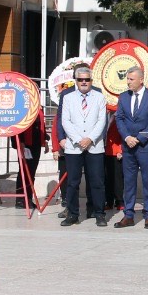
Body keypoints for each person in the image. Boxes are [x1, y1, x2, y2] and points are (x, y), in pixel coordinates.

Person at [57, 68, 108, 225]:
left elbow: (102, 121)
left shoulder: (99, 97)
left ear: (91, 81)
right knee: (73, 182)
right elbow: (65, 121)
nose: (84, 82)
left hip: (94, 146)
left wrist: (90, 139)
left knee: (97, 182)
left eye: (87, 79)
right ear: (76, 81)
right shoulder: (68, 98)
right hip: (74, 146)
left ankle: (99, 213)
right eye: (80, 80)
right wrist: (79, 140)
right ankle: (72, 214)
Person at [113, 68, 148, 229]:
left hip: (144, 146)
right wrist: (126, 137)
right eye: (128, 79)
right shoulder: (124, 97)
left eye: (131, 79)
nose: (128, 82)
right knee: (129, 182)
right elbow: (120, 119)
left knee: (147, 181)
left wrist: (138, 139)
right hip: (128, 146)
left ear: (141, 80)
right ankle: (129, 215)